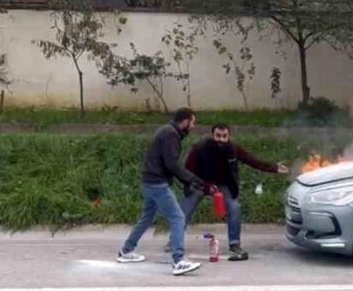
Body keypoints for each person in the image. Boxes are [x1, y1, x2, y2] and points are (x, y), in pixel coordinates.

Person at [117, 108, 210, 276]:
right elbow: (171, 164)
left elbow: (170, 164)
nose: (193, 127)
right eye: (193, 123)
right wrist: (193, 180)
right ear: (185, 122)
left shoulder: (167, 131)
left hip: (149, 182)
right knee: (178, 217)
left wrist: (189, 180)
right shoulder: (170, 134)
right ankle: (178, 260)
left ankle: (126, 250)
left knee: (147, 217)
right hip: (157, 184)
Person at [181, 123, 289, 261]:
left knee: (234, 208)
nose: (221, 139)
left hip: (224, 184)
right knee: (185, 208)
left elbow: (252, 160)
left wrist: (274, 168)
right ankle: (174, 240)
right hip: (201, 183)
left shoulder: (232, 148)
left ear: (229, 136)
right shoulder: (199, 148)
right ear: (212, 135)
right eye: (218, 136)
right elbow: (187, 170)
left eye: (224, 136)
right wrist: (198, 186)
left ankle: (234, 245)